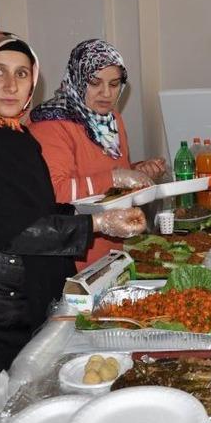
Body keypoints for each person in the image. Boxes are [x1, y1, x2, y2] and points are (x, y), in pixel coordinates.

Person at [0, 32, 146, 423]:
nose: (11, 85)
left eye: (21, 74)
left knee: (21, 416)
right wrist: (96, 223)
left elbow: (38, 207)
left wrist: (92, 215)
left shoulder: (14, 135)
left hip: (16, 305)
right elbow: (5, 228)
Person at [29, 39, 165, 269]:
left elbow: (105, 178)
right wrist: (116, 178)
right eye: (94, 83)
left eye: (114, 84)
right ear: (77, 79)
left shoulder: (111, 120)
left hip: (113, 250)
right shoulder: (50, 125)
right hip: (75, 259)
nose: (106, 93)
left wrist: (136, 171)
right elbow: (56, 193)